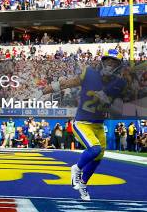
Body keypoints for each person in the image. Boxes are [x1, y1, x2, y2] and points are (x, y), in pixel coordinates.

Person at [43, 49, 127, 200]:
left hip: (99, 125)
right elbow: (68, 83)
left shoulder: (119, 83)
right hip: (83, 122)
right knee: (94, 149)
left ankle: (83, 184)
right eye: (108, 61)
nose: (110, 64)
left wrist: (106, 101)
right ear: (102, 62)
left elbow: (119, 111)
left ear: (118, 66)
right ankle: (76, 168)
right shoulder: (89, 73)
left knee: (98, 157)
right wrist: (45, 89)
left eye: (113, 62)